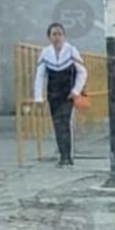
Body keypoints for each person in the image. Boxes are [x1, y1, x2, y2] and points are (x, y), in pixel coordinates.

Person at [34, 23, 88, 166]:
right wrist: (38, 97)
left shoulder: (71, 50)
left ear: (64, 36)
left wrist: (75, 91)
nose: (57, 37)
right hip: (53, 93)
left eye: (59, 34)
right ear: (49, 37)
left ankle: (67, 156)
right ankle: (63, 154)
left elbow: (82, 72)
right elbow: (40, 75)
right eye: (54, 34)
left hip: (67, 93)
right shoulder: (45, 53)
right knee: (57, 124)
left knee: (64, 122)